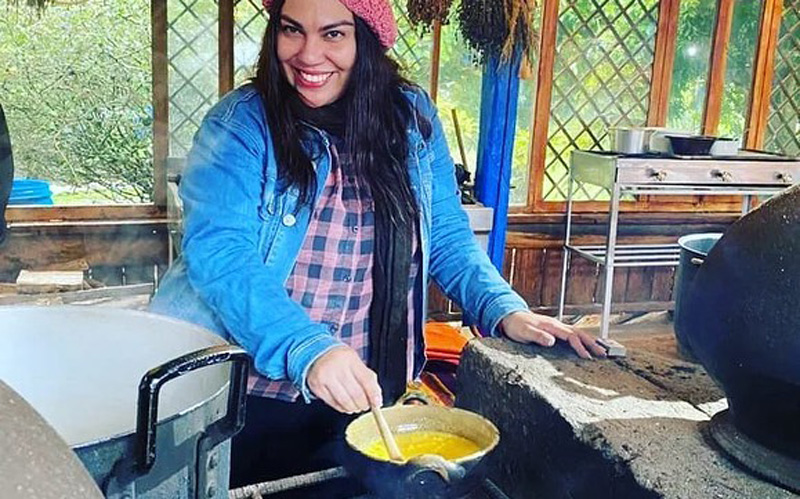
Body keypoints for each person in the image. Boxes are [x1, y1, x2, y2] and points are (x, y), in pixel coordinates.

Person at [150, 0, 604, 491]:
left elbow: (445, 233)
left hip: (363, 391)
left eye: (333, 34)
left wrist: (503, 308)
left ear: (365, 40)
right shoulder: (241, 124)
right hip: (246, 398)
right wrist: (308, 348)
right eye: (291, 30)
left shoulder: (410, 118)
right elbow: (222, 256)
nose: (308, 54)